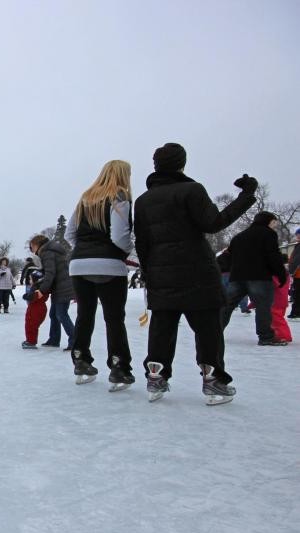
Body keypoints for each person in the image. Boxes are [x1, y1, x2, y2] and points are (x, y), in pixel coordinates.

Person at [133, 143, 257, 405]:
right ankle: (213, 380)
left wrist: (150, 271)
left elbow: (142, 242)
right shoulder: (191, 190)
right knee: (207, 327)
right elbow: (213, 223)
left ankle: (156, 374)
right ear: (181, 164)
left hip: (161, 273)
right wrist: (246, 195)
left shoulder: (144, 201)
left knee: (163, 325)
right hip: (197, 270)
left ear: (156, 166)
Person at [64, 159, 135, 388]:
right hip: (109, 264)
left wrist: (83, 252)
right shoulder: (120, 196)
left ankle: (80, 359)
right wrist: (123, 253)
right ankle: (119, 365)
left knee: (85, 314)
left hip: (79, 265)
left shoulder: (86, 198)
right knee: (114, 318)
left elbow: (70, 234)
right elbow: (119, 237)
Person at [220, 211, 289, 345]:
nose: (275, 226)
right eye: (274, 222)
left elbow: (228, 257)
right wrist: (281, 275)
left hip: (237, 276)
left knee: (227, 306)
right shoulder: (268, 234)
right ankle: (266, 337)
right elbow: (273, 256)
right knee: (263, 307)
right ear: (269, 221)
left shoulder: (239, 236)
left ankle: (213, 333)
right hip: (259, 277)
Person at [30, 235, 75, 350]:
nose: (32, 251)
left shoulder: (47, 253)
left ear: (36, 244)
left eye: (32, 247)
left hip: (62, 288)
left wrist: (42, 290)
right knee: (54, 314)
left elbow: (50, 273)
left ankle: (75, 340)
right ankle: (54, 339)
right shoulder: (51, 251)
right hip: (60, 287)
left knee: (61, 314)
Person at [21, 269, 48, 349]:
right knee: (31, 325)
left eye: (30, 279)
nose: (29, 280)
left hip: (36, 309)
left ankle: (31, 342)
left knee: (31, 325)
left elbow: (34, 297)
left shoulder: (38, 289)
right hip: (36, 308)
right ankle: (30, 340)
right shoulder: (38, 287)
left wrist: (27, 296)